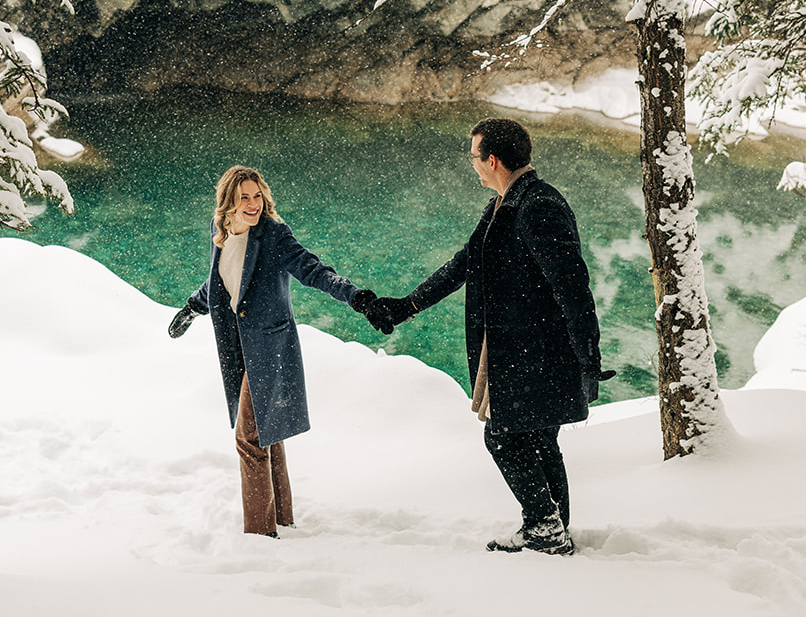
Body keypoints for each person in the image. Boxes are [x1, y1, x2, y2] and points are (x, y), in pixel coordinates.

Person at [365, 118, 610, 556]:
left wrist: (586, 355)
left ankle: (545, 528)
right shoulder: (506, 202)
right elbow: (465, 262)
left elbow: (573, 287)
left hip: (535, 351)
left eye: (474, 155)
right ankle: (553, 530)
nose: (471, 163)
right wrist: (407, 305)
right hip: (521, 349)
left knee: (502, 437)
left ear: (492, 160)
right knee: (538, 439)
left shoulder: (538, 206)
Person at [168, 166, 376, 537]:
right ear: (229, 202)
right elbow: (221, 279)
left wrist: (355, 296)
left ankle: (261, 534)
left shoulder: (275, 235)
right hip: (238, 345)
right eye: (244, 197)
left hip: (270, 346)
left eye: (257, 196)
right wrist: (191, 308)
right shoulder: (220, 231)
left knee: (248, 438)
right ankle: (282, 517)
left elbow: (314, 270)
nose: (252, 204)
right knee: (267, 433)